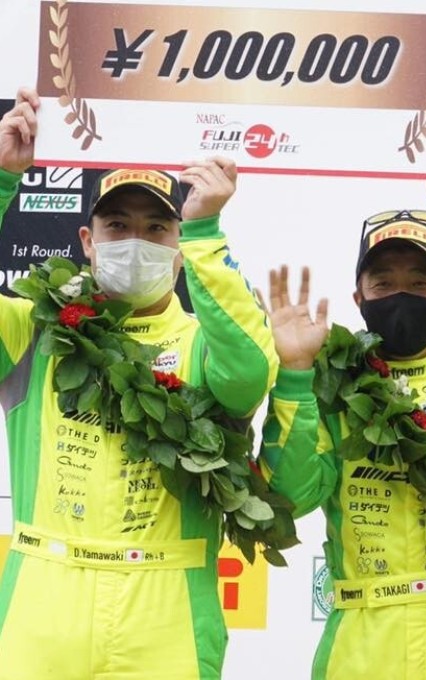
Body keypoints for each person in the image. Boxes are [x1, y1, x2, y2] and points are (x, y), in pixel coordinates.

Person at [0, 88, 277, 679]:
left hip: (167, 611)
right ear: (86, 241)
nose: (136, 240)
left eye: (157, 228)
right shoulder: (32, 325)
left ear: (180, 248)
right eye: (118, 225)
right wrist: (1, 180)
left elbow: (251, 373)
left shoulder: (207, 343)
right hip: (44, 605)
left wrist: (207, 232)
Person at [258, 206, 426, 680]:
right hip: (360, 637)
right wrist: (295, 373)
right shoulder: (330, 387)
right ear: (358, 298)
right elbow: (289, 501)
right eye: (383, 285)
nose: (401, 296)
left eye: (421, 284)